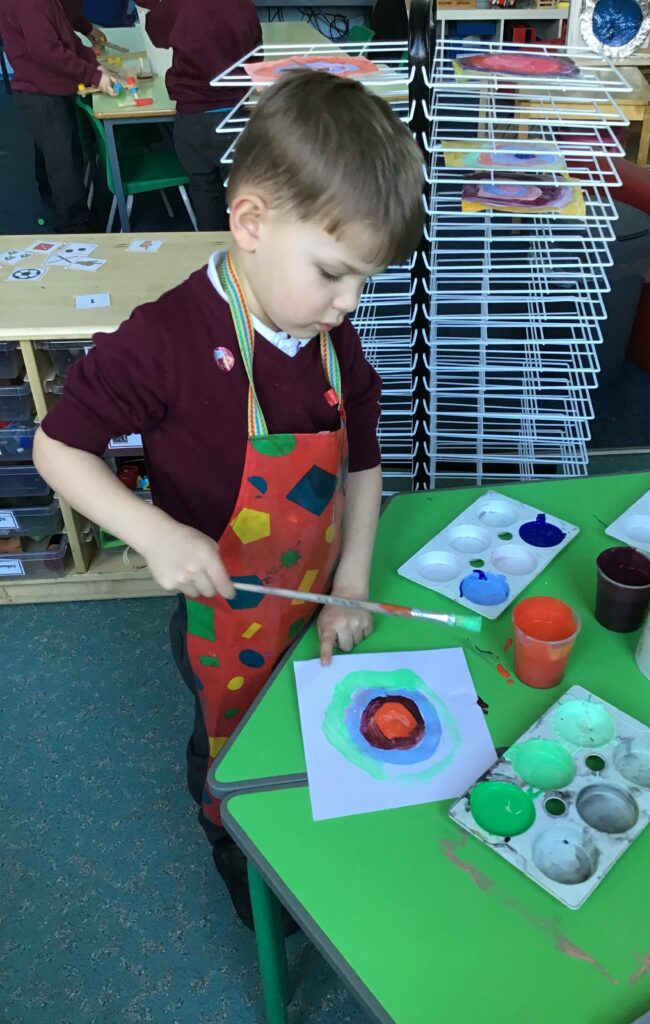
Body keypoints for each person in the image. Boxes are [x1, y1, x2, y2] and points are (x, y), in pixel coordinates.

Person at [33, 68, 424, 930]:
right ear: (250, 222)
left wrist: (352, 581)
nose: (350, 304)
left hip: (314, 592)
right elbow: (55, 446)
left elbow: (363, 459)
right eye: (334, 273)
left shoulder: (330, 333)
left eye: (364, 280)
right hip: (222, 616)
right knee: (230, 745)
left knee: (311, 728)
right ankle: (233, 843)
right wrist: (153, 532)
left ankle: (301, 838)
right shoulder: (167, 339)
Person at [136, 0, 263, 231]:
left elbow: (156, 34)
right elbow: (256, 56)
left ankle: (210, 247)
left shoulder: (180, 4)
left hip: (191, 117)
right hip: (233, 115)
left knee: (203, 189)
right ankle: (244, 247)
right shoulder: (243, 4)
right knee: (241, 193)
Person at [0, 0, 116, 232]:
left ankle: (50, 195)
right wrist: (92, 74)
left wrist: (93, 64)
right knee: (64, 160)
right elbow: (46, 51)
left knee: (54, 150)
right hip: (41, 91)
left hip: (42, 87)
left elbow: (65, 37)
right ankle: (75, 226)